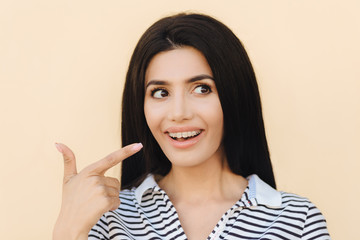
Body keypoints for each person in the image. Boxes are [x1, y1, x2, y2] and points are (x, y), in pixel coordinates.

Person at [53, 13, 330, 240]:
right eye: (160, 92)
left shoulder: (296, 219)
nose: (178, 113)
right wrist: (67, 229)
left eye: (201, 89)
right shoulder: (108, 217)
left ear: (234, 95)